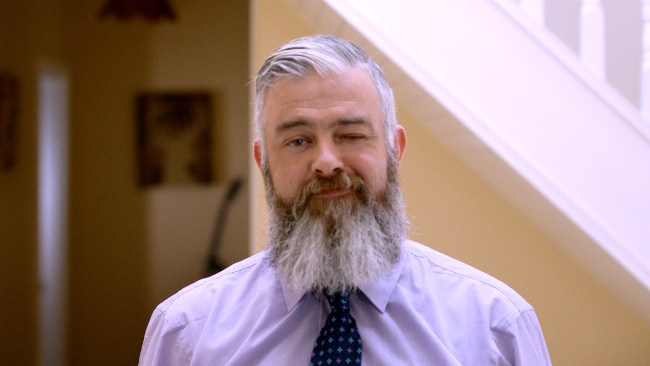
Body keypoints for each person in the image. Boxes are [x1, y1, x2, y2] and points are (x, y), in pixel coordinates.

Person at [138, 34, 552, 365]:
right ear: (264, 162)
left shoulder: (496, 327)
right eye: (298, 141)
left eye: (351, 135)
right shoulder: (187, 333)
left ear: (395, 151)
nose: (326, 162)